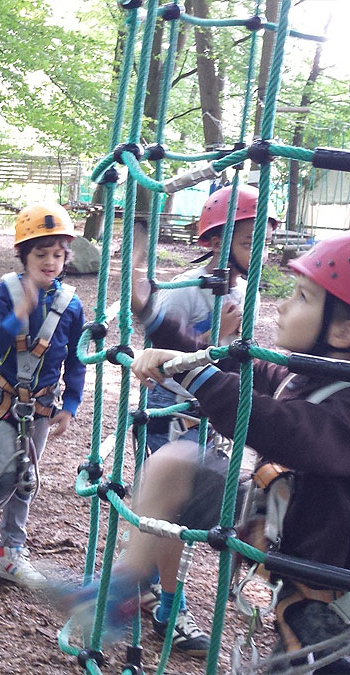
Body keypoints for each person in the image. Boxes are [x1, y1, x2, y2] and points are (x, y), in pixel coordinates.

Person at [80, 232, 350, 672]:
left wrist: (197, 381)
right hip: (276, 525)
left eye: (301, 297)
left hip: (328, 582)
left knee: (309, 661)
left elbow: (285, 430)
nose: (281, 306)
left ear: (343, 329)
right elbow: (233, 364)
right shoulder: (304, 375)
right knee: (174, 461)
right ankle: (119, 590)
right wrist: (156, 317)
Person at [133, 185, 273, 656]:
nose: (259, 249)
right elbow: (164, 350)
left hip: (202, 412)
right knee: (173, 512)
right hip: (170, 410)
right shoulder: (192, 287)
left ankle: (151, 586)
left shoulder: (237, 285)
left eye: (264, 239)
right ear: (216, 240)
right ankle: (169, 608)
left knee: (180, 508)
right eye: (248, 237)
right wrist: (220, 335)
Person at [0, 202, 85, 596]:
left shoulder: (72, 305)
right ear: (24, 256)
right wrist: (19, 314)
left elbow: (75, 358)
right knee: (3, 472)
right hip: (1, 398)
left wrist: (71, 405)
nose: (50, 262)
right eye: (41, 254)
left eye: (57, 255)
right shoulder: (4, 293)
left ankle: (11, 552)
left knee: (26, 479)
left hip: (41, 404)